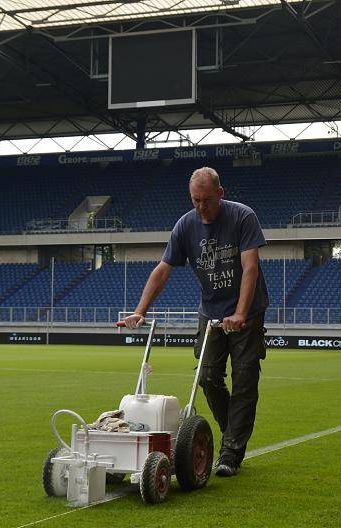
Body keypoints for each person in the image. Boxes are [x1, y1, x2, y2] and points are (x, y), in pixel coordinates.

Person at [124, 166, 269, 477]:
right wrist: (140, 310)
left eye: (206, 200)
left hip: (248, 311)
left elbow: (250, 268)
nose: (201, 207)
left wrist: (241, 313)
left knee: (244, 378)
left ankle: (230, 452)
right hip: (211, 310)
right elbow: (163, 269)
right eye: (195, 200)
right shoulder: (185, 225)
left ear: (220, 193)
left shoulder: (243, 217)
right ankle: (231, 432)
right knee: (207, 377)